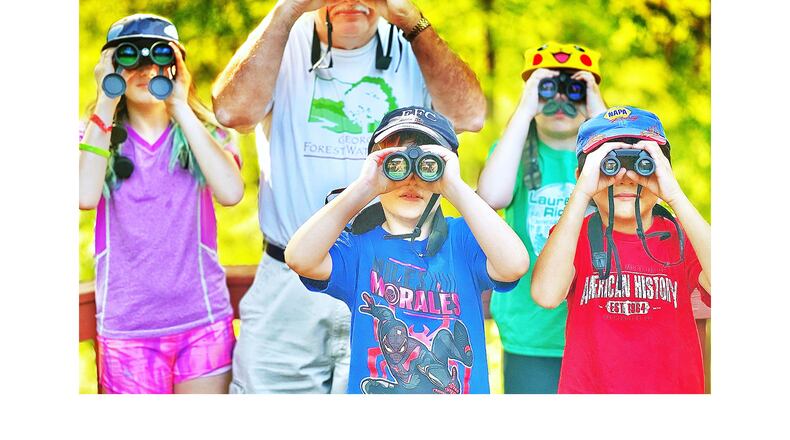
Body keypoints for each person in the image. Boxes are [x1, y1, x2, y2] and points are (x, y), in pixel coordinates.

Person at [211, 0, 486, 393]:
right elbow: (231, 113)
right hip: (292, 271)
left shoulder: (413, 45)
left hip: (392, 277)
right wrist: (288, 10)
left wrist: (413, 20)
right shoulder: (281, 41)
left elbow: (470, 116)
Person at [284, 106, 529, 393]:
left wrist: (455, 187)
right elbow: (299, 257)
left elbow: (514, 264)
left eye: (428, 167)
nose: (411, 180)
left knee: (439, 348)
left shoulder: (464, 238)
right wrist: (365, 187)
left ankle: (454, 347)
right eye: (396, 166)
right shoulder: (359, 246)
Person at [79, 14, 244, 394]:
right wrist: (106, 101)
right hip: (127, 328)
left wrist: (180, 106)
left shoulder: (206, 135)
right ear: (110, 65)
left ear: (175, 66)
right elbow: (85, 195)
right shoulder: (94, 137)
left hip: (202, 322)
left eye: (158, 57)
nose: (145, 67)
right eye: (129, 57)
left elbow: (232, 193)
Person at [531, 106, 711, 393]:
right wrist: (582, 192)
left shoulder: (682, 236)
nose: (626, 178)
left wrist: (674, 195)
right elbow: (546, 294)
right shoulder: (573, 236)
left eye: (643, 164)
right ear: (583, 174)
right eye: (609, 164)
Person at [476, 42, 608, 393]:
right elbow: (491, 197)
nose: (560, 99)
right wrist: (525, 108)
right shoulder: (514, 153)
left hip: (596, 328)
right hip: (530, 330)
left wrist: (597, 109)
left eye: (575, 89)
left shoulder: (606, 159)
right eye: (547, 87)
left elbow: (628, 185)